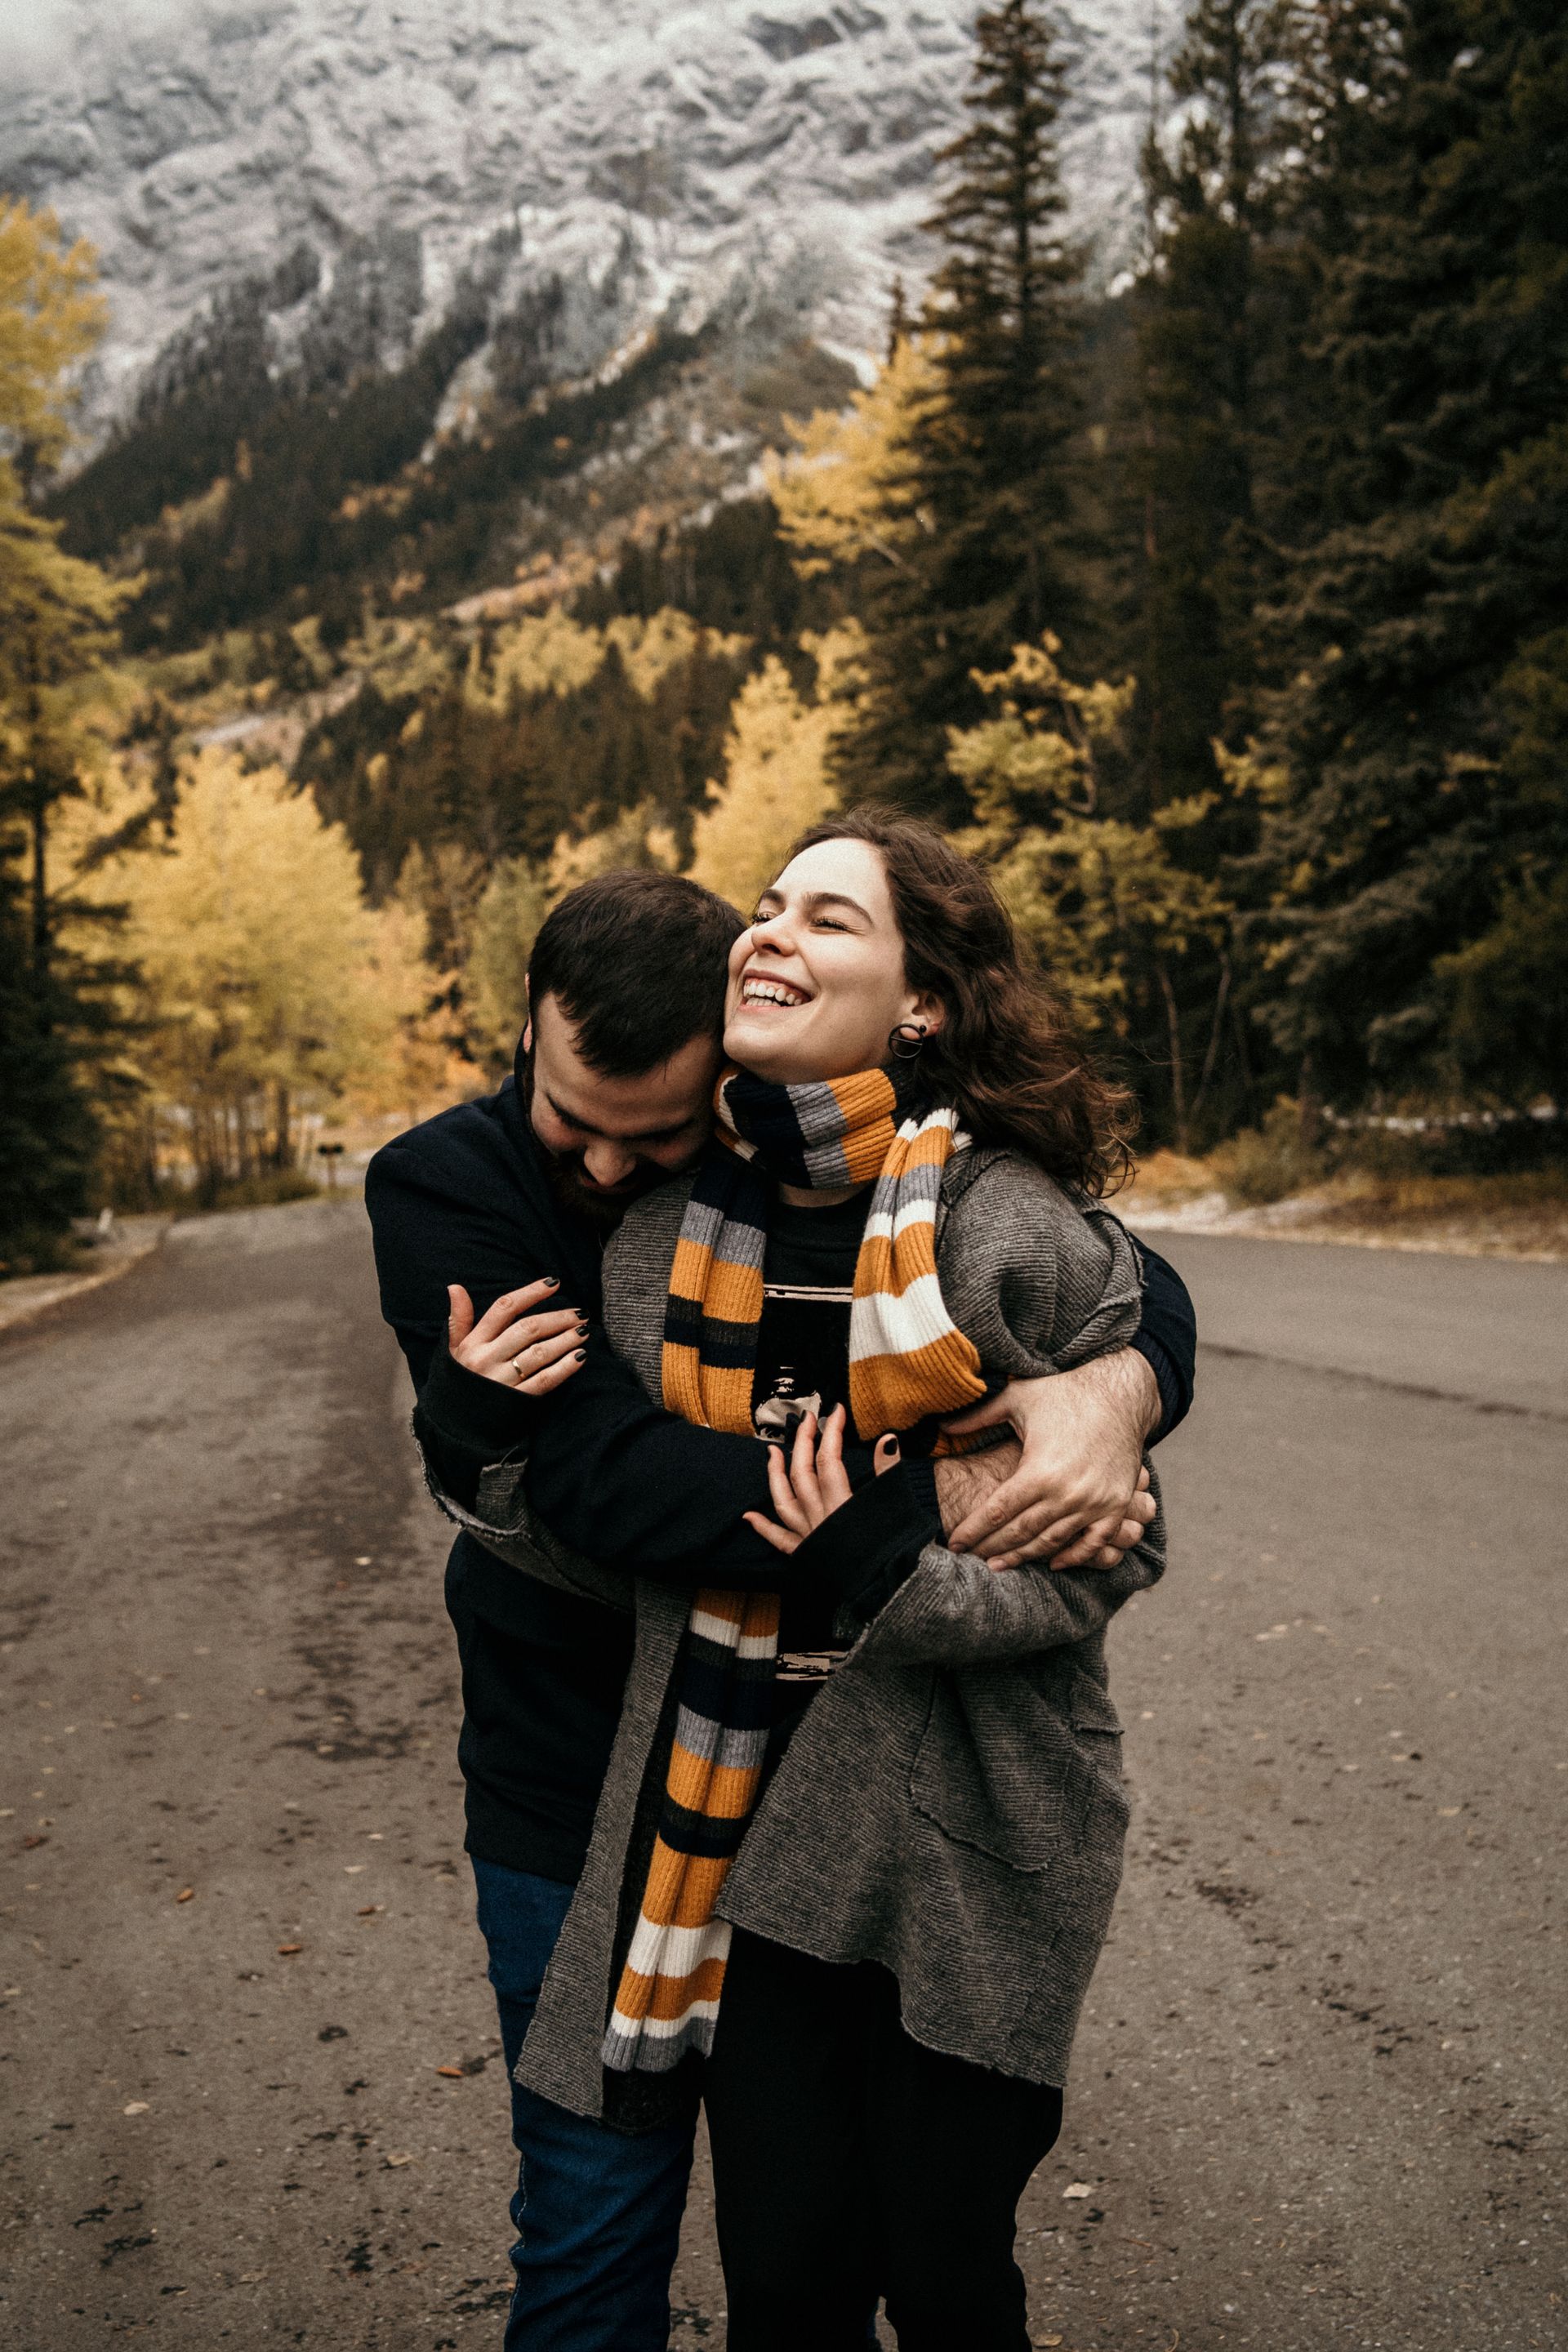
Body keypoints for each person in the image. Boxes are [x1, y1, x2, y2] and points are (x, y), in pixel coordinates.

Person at [366, 865, 1196, 2352]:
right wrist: (927, 1502)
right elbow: (593, 1490)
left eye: (658, 1136)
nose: (613, 1171)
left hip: (862, 1810)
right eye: (578, 1130)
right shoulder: (492, 1201)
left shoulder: (887, 1197)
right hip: (601, 1785)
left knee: (923, 2264)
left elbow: (1113, 1310)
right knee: (613, 2228)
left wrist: (1117, 1389)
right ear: (527, 1044)